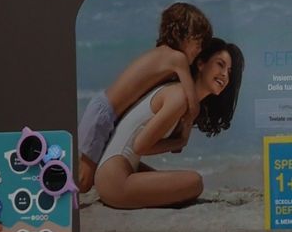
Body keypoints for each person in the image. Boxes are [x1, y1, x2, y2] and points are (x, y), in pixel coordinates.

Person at [91, 37, 245, 212]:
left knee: (181, 183)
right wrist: (180, 141)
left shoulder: (187, 100)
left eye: (229, 71)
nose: (225, 75)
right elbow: (140, 146)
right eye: (220, 64)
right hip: (115, 180)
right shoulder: (178, 96)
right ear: (201, 63)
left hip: (121, 170)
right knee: (195, 182)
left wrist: (182, 134)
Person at [76, 3, 210, 189]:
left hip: (106, 110)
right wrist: (182, 133)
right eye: (198, 41)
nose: (200, 49)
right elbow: (193, 103)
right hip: (104, 113)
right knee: (84, 181)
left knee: (88, 172)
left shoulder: (162, 55)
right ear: (179, 34)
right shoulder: (177, 59)